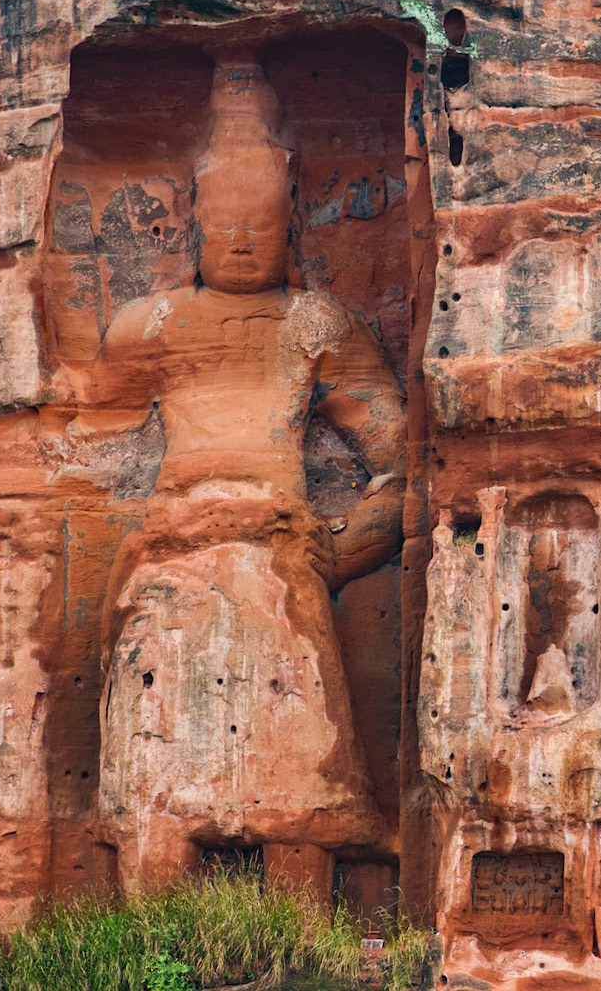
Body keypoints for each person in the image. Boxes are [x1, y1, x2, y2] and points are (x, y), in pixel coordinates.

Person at [94, 48, 407, 887]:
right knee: (154, 762)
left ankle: (302, 928)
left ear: (292, 226)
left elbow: (403, 460)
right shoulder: (149, 324)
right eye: (224, 226)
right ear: (190, 225)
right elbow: (72, 435)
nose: (239, 244)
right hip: (172, 556)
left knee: (297, 758)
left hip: (281, 556)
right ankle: (149, 938)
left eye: (260, 227)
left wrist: (338, 544)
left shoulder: (316, 322)